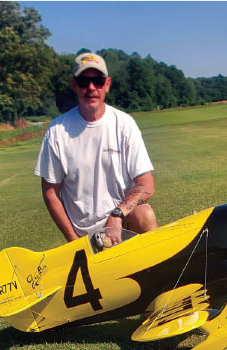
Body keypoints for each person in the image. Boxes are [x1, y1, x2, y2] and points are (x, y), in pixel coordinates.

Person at [34, 52, 158, 247]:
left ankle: (154, 271)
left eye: (98, 81)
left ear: (107, 84)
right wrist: (74, 242)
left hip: (121, 223)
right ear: (74, 85)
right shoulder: (57, 131)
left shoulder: (124, 124)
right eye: (84, 81)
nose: (91, 88)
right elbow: (50, 192)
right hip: (85, 233)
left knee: (145, 215)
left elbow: (146, 184)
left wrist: (116, 215)